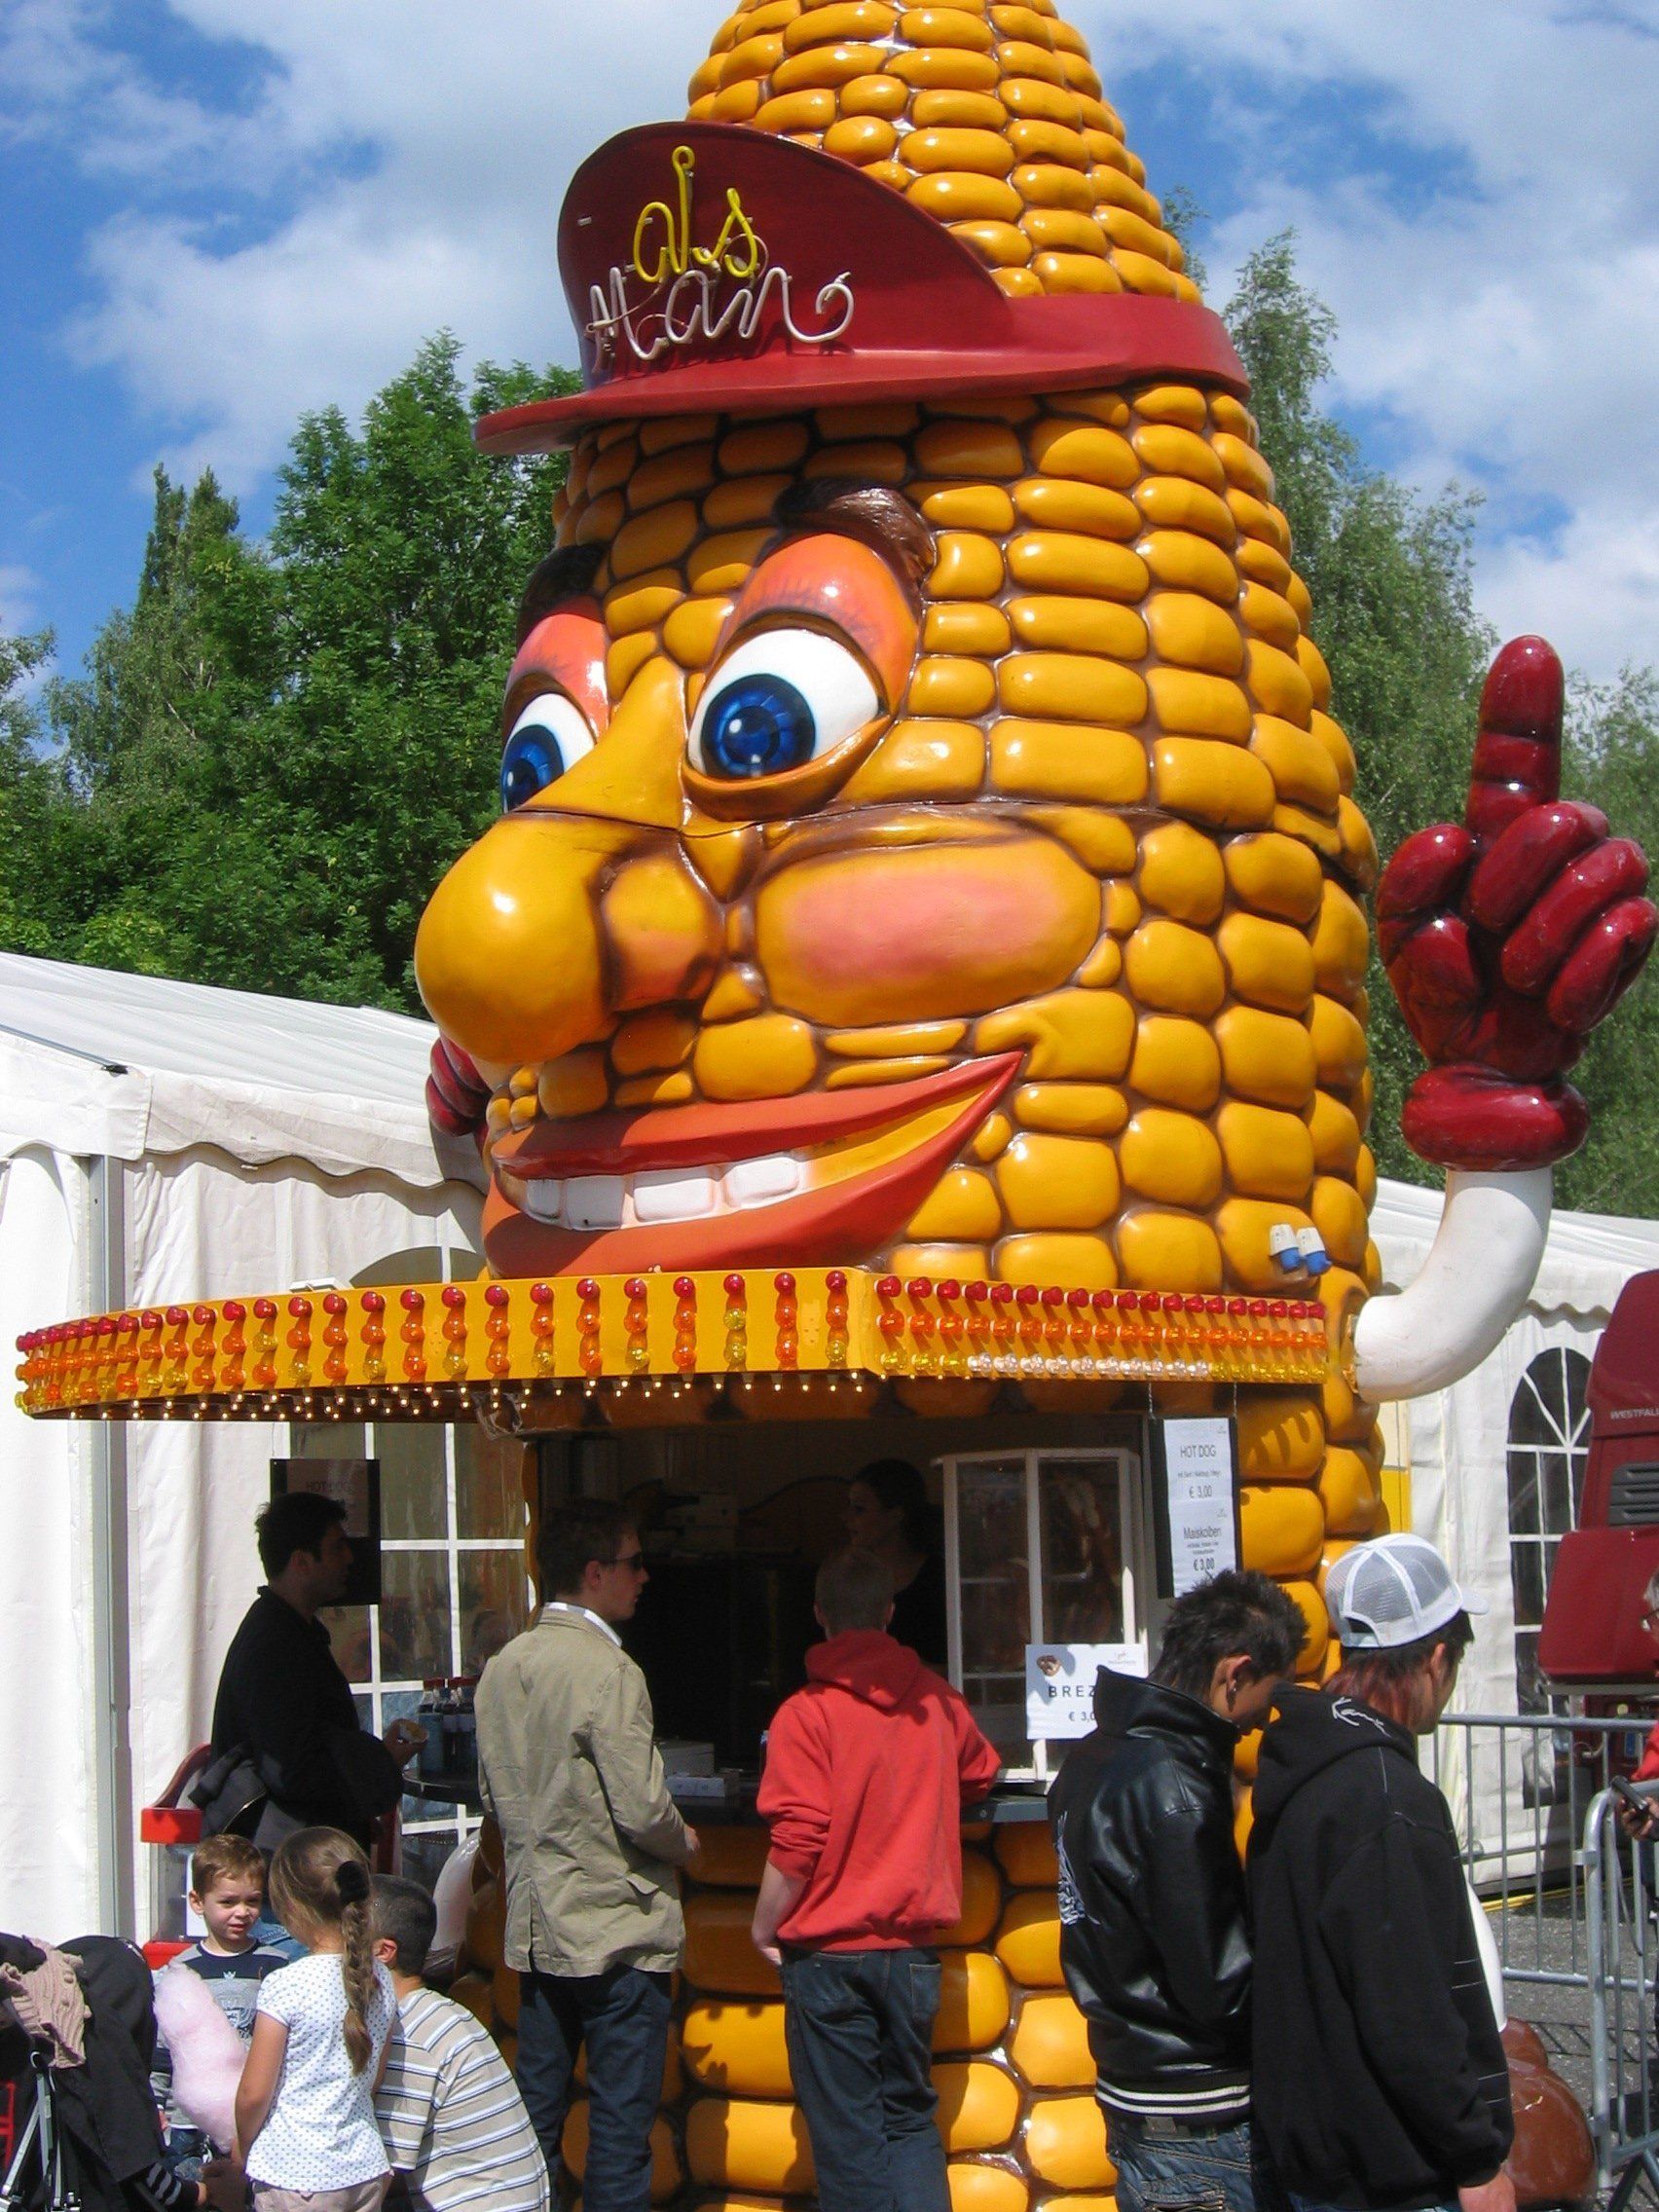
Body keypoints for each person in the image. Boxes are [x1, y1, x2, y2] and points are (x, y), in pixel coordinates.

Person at [1249, 1534, 1514, 2212]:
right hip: (1392, 2172)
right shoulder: (1387, 1797)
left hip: (1316, 2158)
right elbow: (1410, 2013)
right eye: (1455, 1663)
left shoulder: (1301, 1768)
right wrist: (1478, 2161)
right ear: (1434, 1659)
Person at [752, 1548, 1002, 2212]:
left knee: (849, 2140)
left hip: (828, 1955)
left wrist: (763, 1926)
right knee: (909, 2121)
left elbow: (798, 1839)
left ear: (819, 1615)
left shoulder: (804, 1714)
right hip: (911, 1952)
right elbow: (982, 1772)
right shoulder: (937, 1701)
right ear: (890, 1613)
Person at [1048, 1569, 1306, 2212]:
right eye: (1267, 1697)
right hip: (1198, 2110)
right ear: (1235, 1674)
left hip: (1132, 2084)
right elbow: (1219, 1983)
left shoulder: (1089, 1758)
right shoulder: (1178, 1786)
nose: (1259, 1723)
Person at [475, 1496, 697, 2212]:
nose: (644, 1577)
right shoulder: (610, 1670)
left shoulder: (503, 1666)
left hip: (536, 1927)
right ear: (596, 1573)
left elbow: (493, 1794)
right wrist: (684, 1843)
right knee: (620, 2133)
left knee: (532, 2122)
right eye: (635, 1563)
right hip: (614, 1926)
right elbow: (642, 1807)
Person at [209, 1492, 422, 1850]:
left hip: (299, 1850)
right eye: (337, 1547)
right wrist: (378, 1763)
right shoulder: (273, 1644)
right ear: (301, 1562)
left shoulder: (290, 1632)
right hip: (284, 1862)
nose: (349, 1557)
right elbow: (291, 1769)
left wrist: (353, 1807)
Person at [235, 1826, 397, 2211]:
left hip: (297, 2174)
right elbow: (374, 2078)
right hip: (363, 2167)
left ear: (291, 1908)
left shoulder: (286, 1984)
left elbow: (254, 2093)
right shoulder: (381, 1977)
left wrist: (241, 2147)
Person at [369, 1874, 550, 2212]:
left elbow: (377, 2175)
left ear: (383, 1952)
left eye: (344, 1938)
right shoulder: (442, 2014)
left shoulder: (408, 2036)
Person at [151, 1833, 288, 2179]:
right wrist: (154, 2101)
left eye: (252, 1901)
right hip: (188, 2123)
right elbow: (164, 2049)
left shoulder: (277, 1965)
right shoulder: (179, 1971)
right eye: (228, 1902)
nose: (242, 1912)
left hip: (253, 2117)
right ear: (197, 1902)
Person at [843, 1457, 946, 1667]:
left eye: (859, 1509)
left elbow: (953, 1664)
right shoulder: (848, 1576)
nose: (846, 1517)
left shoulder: (939, 1579)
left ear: (895, 1516)